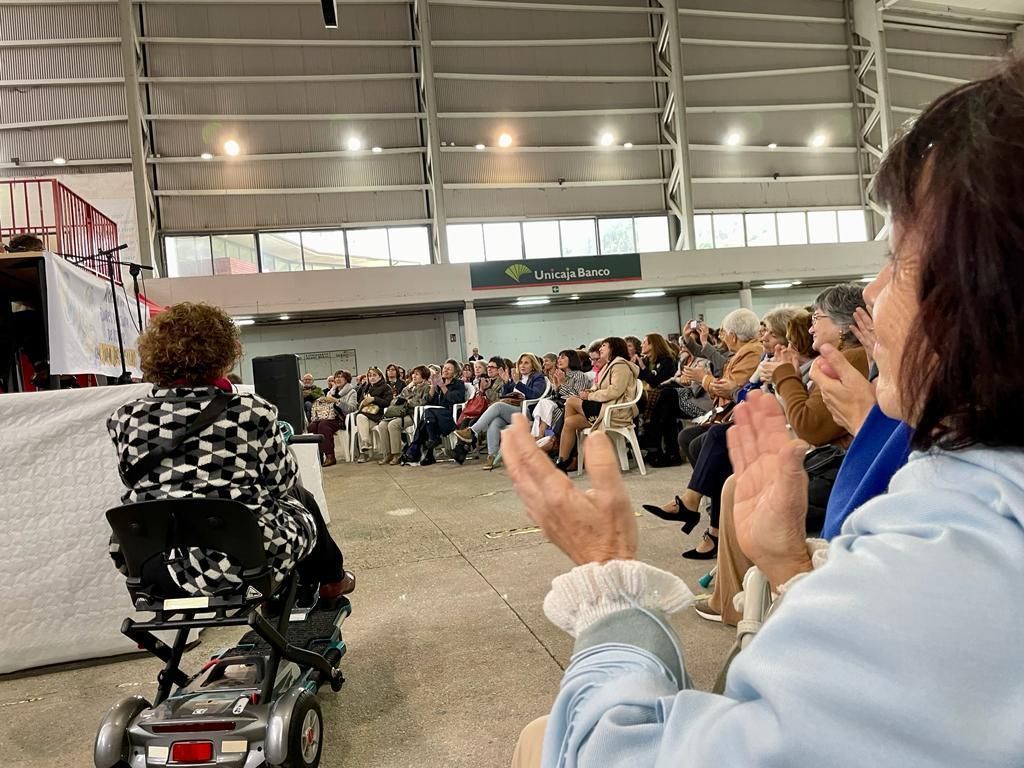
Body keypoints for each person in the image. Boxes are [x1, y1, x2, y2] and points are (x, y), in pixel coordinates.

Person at [505, 56, 1024, 768]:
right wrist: (788, 565)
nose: (871, 295)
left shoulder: (958, 563)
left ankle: (692, 515)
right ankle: (708, 528)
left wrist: (609, 585)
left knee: (543, 739)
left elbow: (621, 754)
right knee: (718, 457)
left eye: (901, 260)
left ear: (986, 297)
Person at [107, 302, 353, 602]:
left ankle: (329, 578)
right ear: (223, 353)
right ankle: (331, 579)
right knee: (301, 498)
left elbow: (132, 482)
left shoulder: (125, 417)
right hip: (245, 563)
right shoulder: (251, 412)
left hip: (154, 567)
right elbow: (283, 482)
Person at [553, 337, 639, 473]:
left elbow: (615, 391)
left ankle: (568, 458)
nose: (600, 348)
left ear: (613, 348)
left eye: (604, 345)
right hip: (604, 407)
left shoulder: (620, 365)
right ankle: (563, 462)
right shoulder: (609, 365)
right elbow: (598, 386)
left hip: (614, 410)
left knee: (571, 401)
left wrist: (590, 396)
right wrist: (590, 391)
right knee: (569, 422)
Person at [454, 353, 547, 470]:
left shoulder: (537, 377)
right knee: (495, 421)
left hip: (526, 411)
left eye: (526, 363)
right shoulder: (517, 377)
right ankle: (492, 456)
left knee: (497, 406)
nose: (522, 365)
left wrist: (517, 383)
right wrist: (507, 382)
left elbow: (535, 395)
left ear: (533, 365)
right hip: (514, 409)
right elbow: (506, 396)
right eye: (521, 363)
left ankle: (472, 432)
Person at [533, 350, 590, 453]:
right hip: (561, 407)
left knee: (550, 407)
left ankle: (551, 441)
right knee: (545, 404)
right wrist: (557, 386)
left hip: (575, 409)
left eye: (563, 357)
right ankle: (546, 440)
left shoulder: (579, 375)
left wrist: (563, 384)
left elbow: (577, 397)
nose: (559, 360)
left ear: (571, 359)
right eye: (558, 358)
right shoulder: (561, 375)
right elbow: (557, 397)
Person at [374, 365, 431, 465]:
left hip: (413, 415)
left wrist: (408, 402)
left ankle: (397, 454)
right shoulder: (409, 387)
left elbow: (423, 402)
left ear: (424, 375)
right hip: (400, 413)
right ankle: (387, 453)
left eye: (417, 374)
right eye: (413, 374)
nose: (414, 376)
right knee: (382, 425)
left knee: (393, 425)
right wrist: (408, 389)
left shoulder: (426, 387)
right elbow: (394, 401)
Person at [417, 359, 468, 465]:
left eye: (449, 369)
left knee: (427, 417)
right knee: (428, 417)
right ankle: (432, 443)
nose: (445, 370)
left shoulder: (459, 384)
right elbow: (429, 401)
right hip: (437, 416)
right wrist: (434, 387)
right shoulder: (439, 385)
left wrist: (442, 386)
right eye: (444, 368)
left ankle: (425, 449)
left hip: (450, 416)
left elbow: (455, 400)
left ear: (455, 372)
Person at [307, 370, 357, 467]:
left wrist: (337, 401)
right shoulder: (331, 391)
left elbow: (352, 409)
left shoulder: (352, 392)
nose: (338, 379)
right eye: (336, 377)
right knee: (312, 426)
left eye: (341, 377)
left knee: (324, 425)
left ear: (347, 379)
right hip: (328, 417)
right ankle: (318, 456)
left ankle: (330, 456)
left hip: (342, 419)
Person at [354, 366, 393, 463]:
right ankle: (366, 444)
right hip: (367, 415)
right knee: (360, 417)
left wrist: (374, 399)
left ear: (380, 376)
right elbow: (359, 402)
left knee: (361, 424)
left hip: (379, 415)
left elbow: (388, 402)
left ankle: (365, 450)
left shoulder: (386, 387)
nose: (372, 377)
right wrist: (364, 402)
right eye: (370, 375)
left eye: (374, 375)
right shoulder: (366, 387)